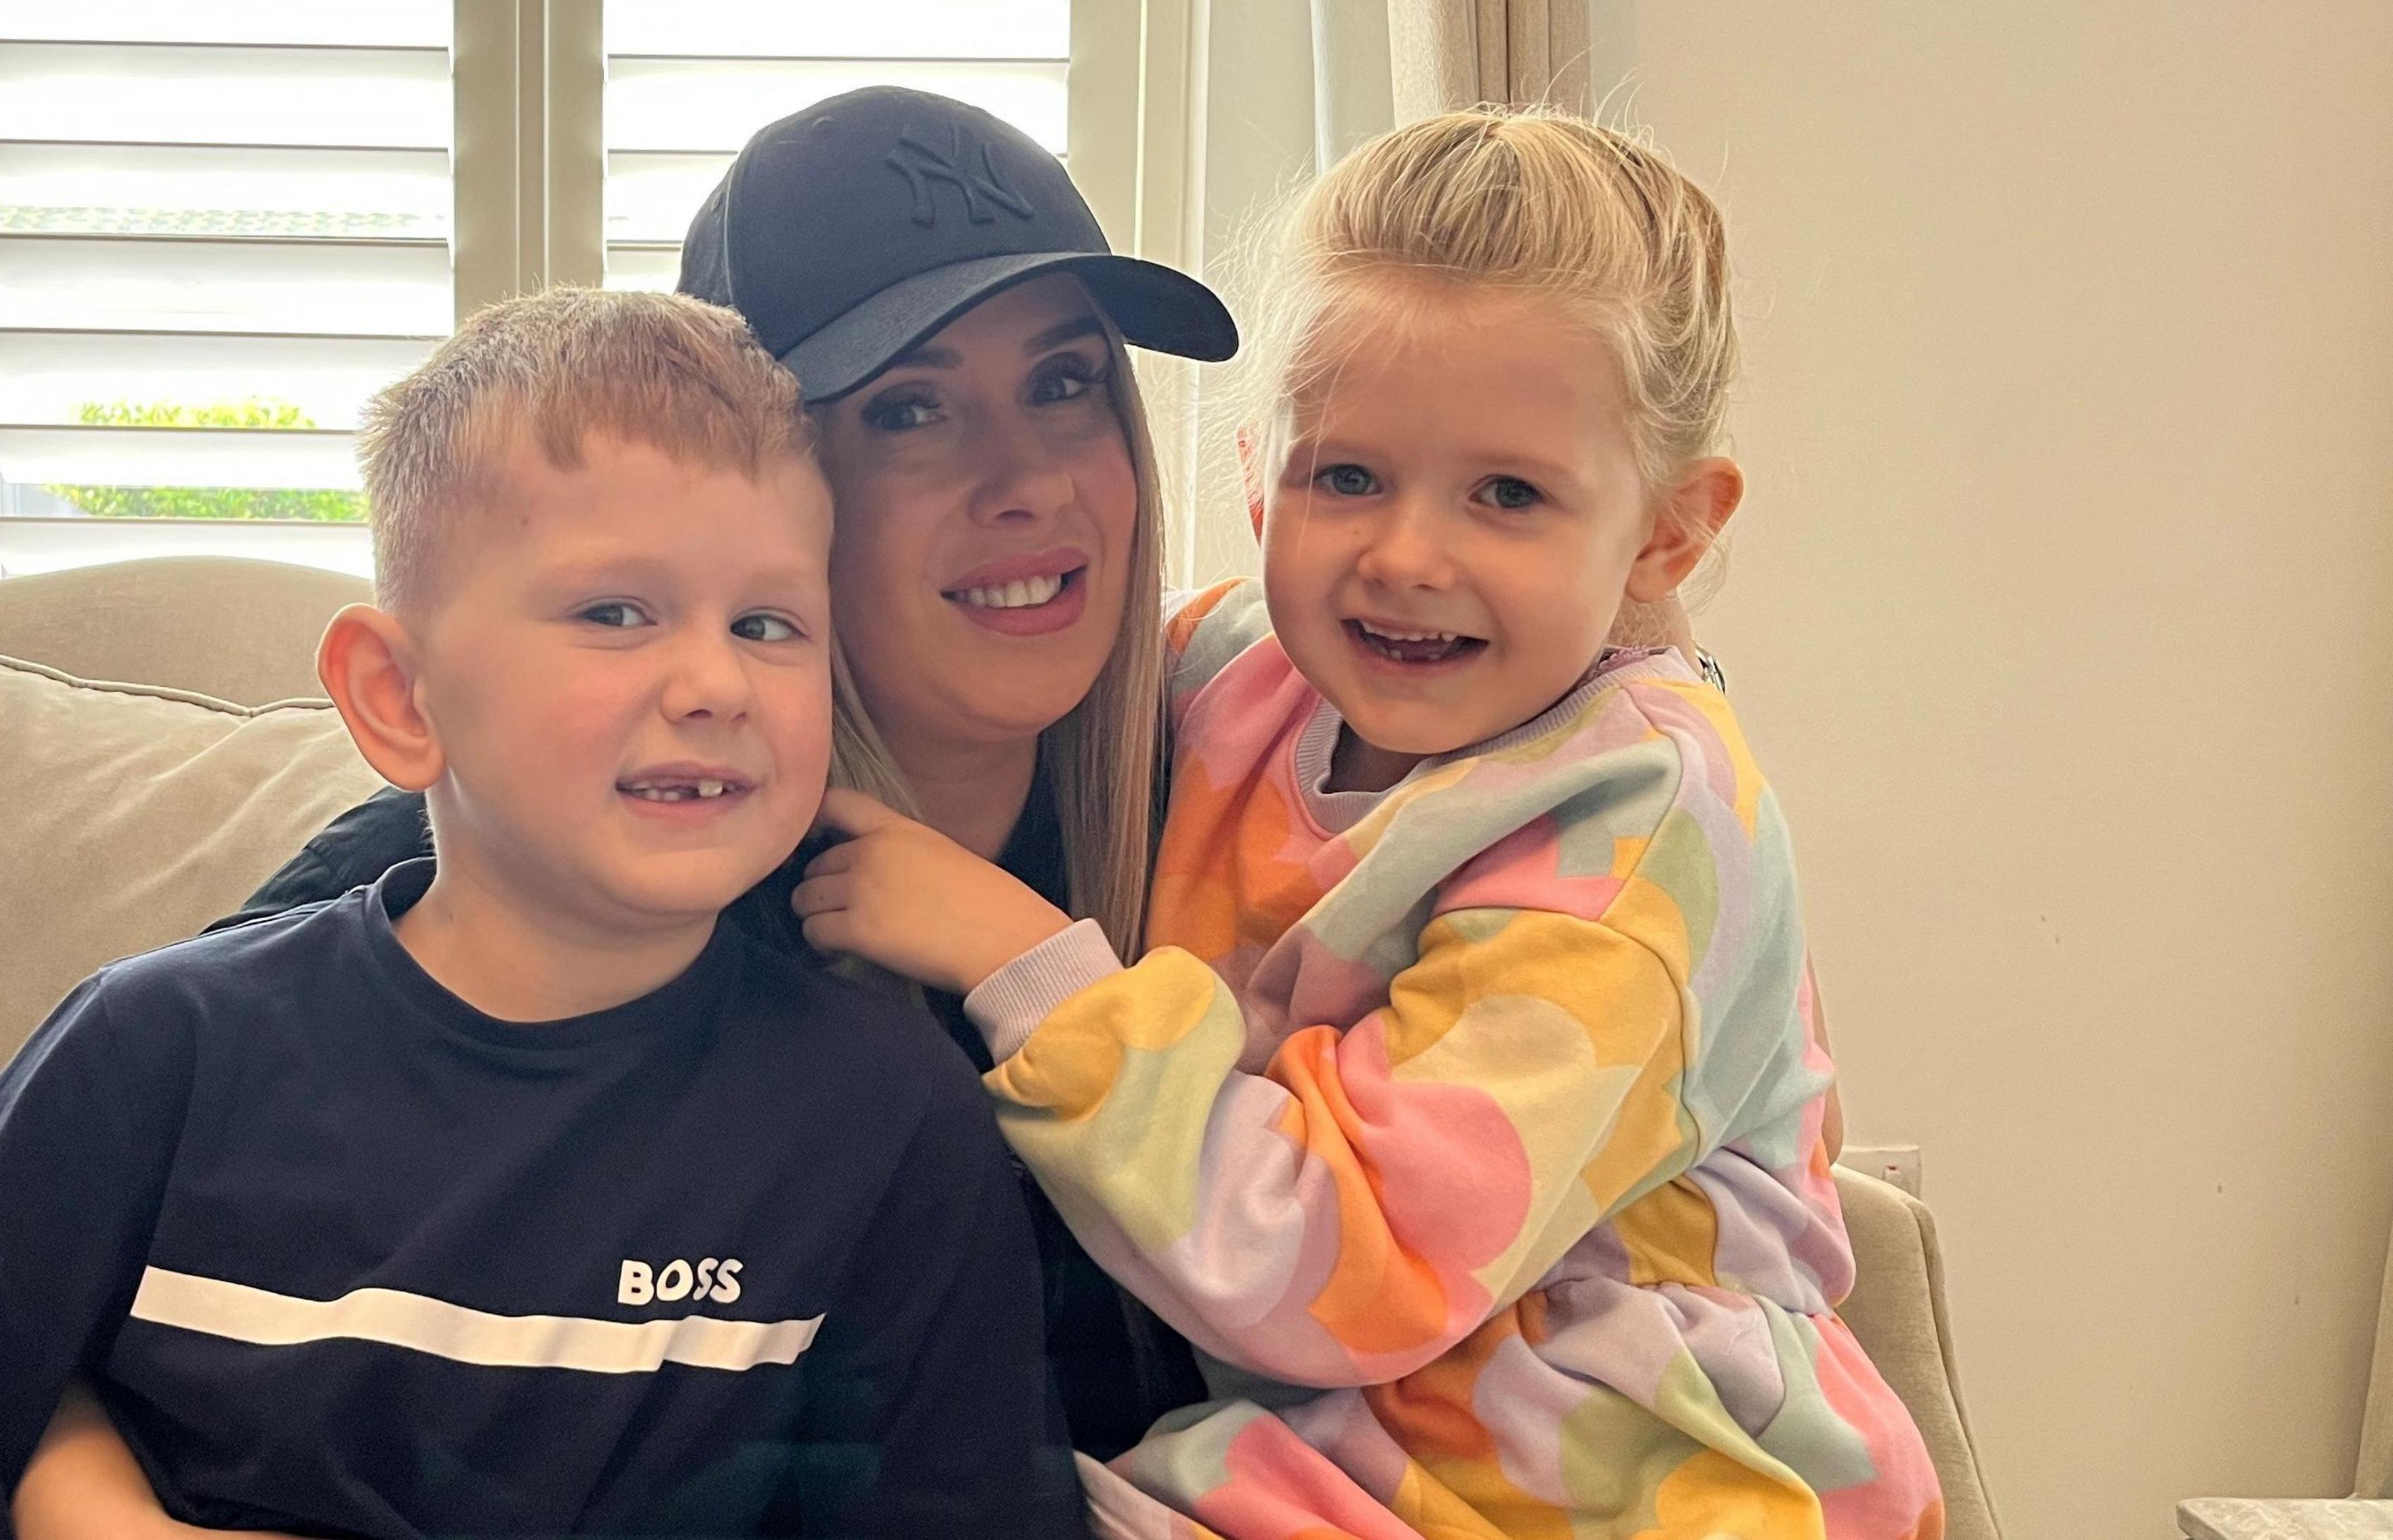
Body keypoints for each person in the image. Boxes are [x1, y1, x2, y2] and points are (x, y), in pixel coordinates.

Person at [3, 87, 1240, 1537]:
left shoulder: (1255, 809)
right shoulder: (540, 878)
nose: (1027, 481)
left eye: (1068, 381)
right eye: (911, 408)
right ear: (759, 486)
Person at [0, 289, 1083, 1540]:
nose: (716, 683)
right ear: (397, 698)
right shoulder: (158, 1051)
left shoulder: (888, 1118)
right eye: (617, 611)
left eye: (771, 624)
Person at [795, 107, 1944, 1539]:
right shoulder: (1236, 678)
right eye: (1346, 477)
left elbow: (1357, 1260)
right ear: (1256, 480)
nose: (1407, 557)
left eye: (1509, 494)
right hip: (1327, 1454)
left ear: (1668, 532)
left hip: (1614, 1486)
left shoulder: (1638, 829)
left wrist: (1023, 962)